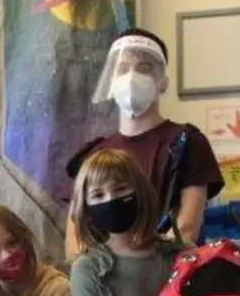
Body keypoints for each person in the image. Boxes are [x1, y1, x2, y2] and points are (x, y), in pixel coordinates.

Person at [65, 27, 223, 255]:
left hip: (165, 277)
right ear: (111, 80)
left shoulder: (187, 143)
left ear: (163, 83)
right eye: (122, 69)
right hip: (102, 281)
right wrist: (91, 275)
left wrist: (145, 273)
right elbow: (76, 235)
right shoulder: (94, 154)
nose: (131, 76)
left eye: (144, 67)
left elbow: (187, 228)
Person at [68, 149, 178, 296]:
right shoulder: (87, 268)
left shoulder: (178, 253)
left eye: (120, 189)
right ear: (86, 207)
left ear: (141, 193)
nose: (111, 200)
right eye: (98, 195)